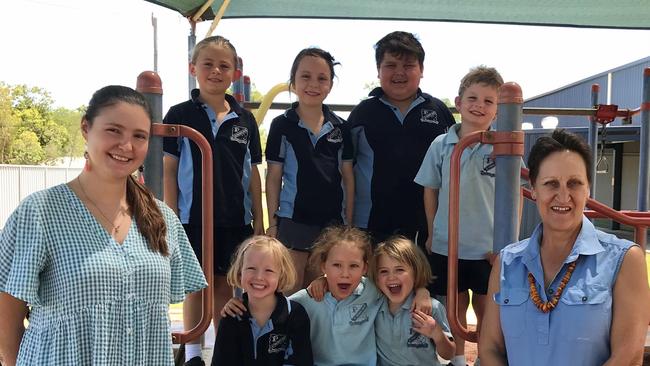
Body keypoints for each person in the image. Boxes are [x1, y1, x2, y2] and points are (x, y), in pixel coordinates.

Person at [0, 85, 207, 366]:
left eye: (139, 136)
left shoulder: (162, 218)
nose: (127, 145)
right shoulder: (40, 213)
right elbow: (6, 321)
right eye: (114, 131)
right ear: (86, 128)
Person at [479, 129, 650, 365]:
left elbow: (628, 357)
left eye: (574, 183)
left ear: (588, 189)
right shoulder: (507, 263)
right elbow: (489, 349)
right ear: (533, 190)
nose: (563, 195)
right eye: (551, 183)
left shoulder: (625, 260)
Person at [162, 35, 264, 365]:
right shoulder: (180, 114)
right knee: (196, 285)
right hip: (193, 217)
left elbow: (254, 174)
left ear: (235, 72)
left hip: (234, 219)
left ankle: (223, 350)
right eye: (208, 64)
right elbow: (169, 171)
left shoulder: (245, 119)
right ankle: (192, 352)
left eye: (224, 65)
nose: (216, 71)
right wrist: (171, 216)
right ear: (193, 69)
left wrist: (260, 221)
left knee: (223, 285)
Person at [414, 66, 513, 366]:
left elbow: (512, 196)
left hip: (487, 245)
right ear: (458, 103)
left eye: (488, 101)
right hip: (449, 243)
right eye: (472, 98)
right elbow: (430, 189)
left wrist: (508, 242)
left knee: (487, 307)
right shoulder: (440, 145)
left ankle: (485, 358)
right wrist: (432, 231)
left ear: (497, 110)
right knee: (453, 308)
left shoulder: (502, 146)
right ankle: (457, 359)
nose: (478, 106)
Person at [223, 226, 433, 366]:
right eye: (336, 266)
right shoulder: (306, 300)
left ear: (365, 268)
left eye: (353, 266)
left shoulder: (373, 291)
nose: (344, 273)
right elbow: (272, 304)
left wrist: (422, 290)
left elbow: (396, 285)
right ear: (324, 266)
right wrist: (237, 303)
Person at [348, 30, 456, 245]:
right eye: (390, 65)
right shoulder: (362, 114)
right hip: (370, 225)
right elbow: (344, 170)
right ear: (378, 70)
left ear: (421, 70)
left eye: (408, 65)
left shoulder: (439, 111)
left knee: (424, 279)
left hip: (428, 227)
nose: (399, 72)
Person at [265, 47, 354, 294]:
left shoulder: (341, 128)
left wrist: (349, 222)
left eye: (321, 78)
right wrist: (273, 223)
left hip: (331, 224)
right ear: (293, 81)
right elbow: (274, 177)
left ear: (330, 85)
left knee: (319, 293)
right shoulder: (282, 125)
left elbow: (348, 178)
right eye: (305, 76)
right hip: (294, 220)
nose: (313, 84)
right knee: (289, 289)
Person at [212, 236, 313, 365]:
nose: (259, 277)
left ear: (281, 275)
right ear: (239, 272)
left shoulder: (295, 314)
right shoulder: (231, 316)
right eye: (251, 268)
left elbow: (301, 361)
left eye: (269, 270)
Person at [373, 236, 455, 366]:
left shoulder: (431, 308)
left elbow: (449, 354)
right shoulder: (373, 305)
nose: (391, 277)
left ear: (416, 272)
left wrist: (436, 333)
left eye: (399, 270)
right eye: (384, 271)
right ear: (376, 278)